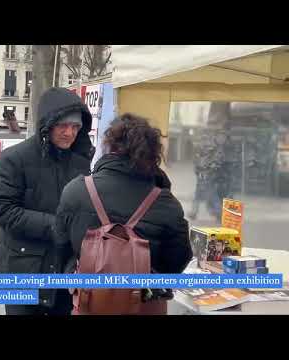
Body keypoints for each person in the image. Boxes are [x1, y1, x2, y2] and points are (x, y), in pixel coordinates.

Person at [54, 113, 193, 313]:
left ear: (109, 146)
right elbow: (178, 259)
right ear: (152, 153)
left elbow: (61, 246)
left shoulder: (75, 191)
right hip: (145, 306)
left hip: (89, 303)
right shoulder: (165, 202)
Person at [0, 87, 95, 315]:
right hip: (21, 267)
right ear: (47, 125)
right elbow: (2, 208)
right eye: (62, 126)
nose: (69, 133)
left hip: (63, 270)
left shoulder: (81, 163)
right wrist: (56, 226)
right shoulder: (14, 158)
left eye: (75, 127)